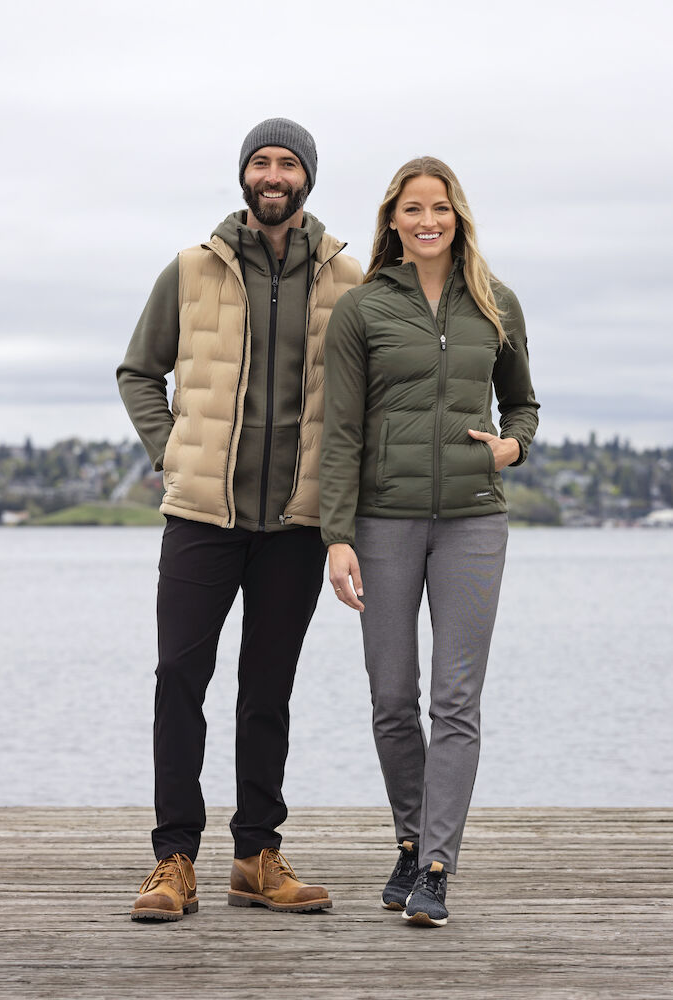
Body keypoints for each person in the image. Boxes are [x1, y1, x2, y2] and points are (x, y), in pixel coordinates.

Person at [117, 118, 362, 920]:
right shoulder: (192, 269)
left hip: (295, 523)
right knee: (179, 682)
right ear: (244, 175)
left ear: (307, 178)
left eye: (287, 162)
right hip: (201, 518)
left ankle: (257, 856)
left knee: (267, 692)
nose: (273, 174)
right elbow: (139, 371)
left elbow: (368, 397)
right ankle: (174, 861)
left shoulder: (348, 279)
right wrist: (171, 450)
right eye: (261, 161)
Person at [320, 157, 539, 927]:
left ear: (458, 216)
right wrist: (336, 536)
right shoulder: (362, 310)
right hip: (383, 523)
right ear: (394, 220)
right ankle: (411, 842)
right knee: (391, 699)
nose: (427, 221)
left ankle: (438, 866)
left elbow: (523, 404)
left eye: (439, 208)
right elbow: (340, 432)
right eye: (412, 209)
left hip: (474, 521)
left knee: (456, 700)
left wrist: (513, 446)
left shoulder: (496, 302)